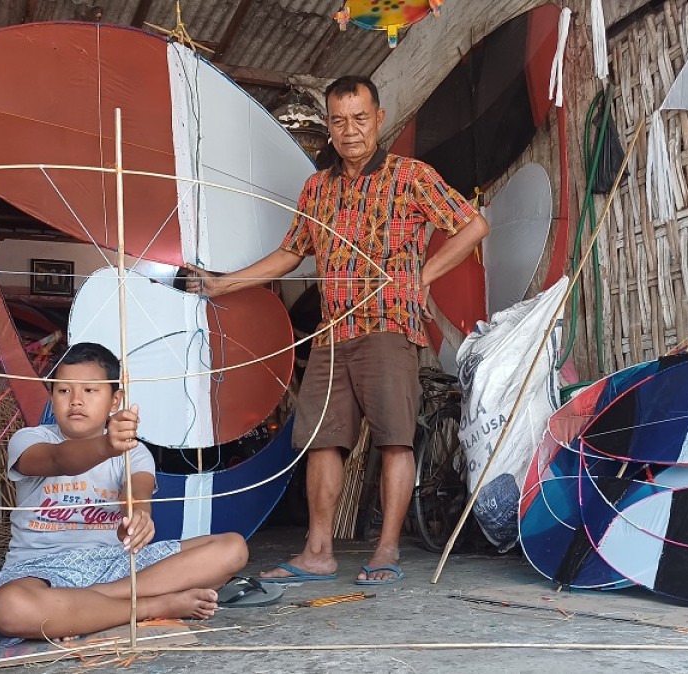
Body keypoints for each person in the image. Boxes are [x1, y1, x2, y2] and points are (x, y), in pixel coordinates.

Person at [189, 76, 489, 585]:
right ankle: (318, 552)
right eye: (339, 120)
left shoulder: (409, 175)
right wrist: (223, 284)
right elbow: (290, 254)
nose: (350, 131)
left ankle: (386, 550)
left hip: (389, 327)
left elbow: (472, 225)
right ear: (327, 127)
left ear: (379, 117)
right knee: (321, 441)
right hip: (331, 335)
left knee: (394, 441)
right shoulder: (317, 188)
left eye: (360, 118)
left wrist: (422, 276)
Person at [0, 342, 248, 642]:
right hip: (41, 571)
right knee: (9, 607)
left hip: (115, 566)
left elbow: (136, 494)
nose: (76, 401)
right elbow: (58, 459)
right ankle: (154, 605)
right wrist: (107, 446)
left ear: (114, 400)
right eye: (64, 391)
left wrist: (137, 519)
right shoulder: (29, 440)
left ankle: (83, 604)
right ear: (52, 398)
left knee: (233, 548)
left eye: (90, 391)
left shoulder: (134, 452)